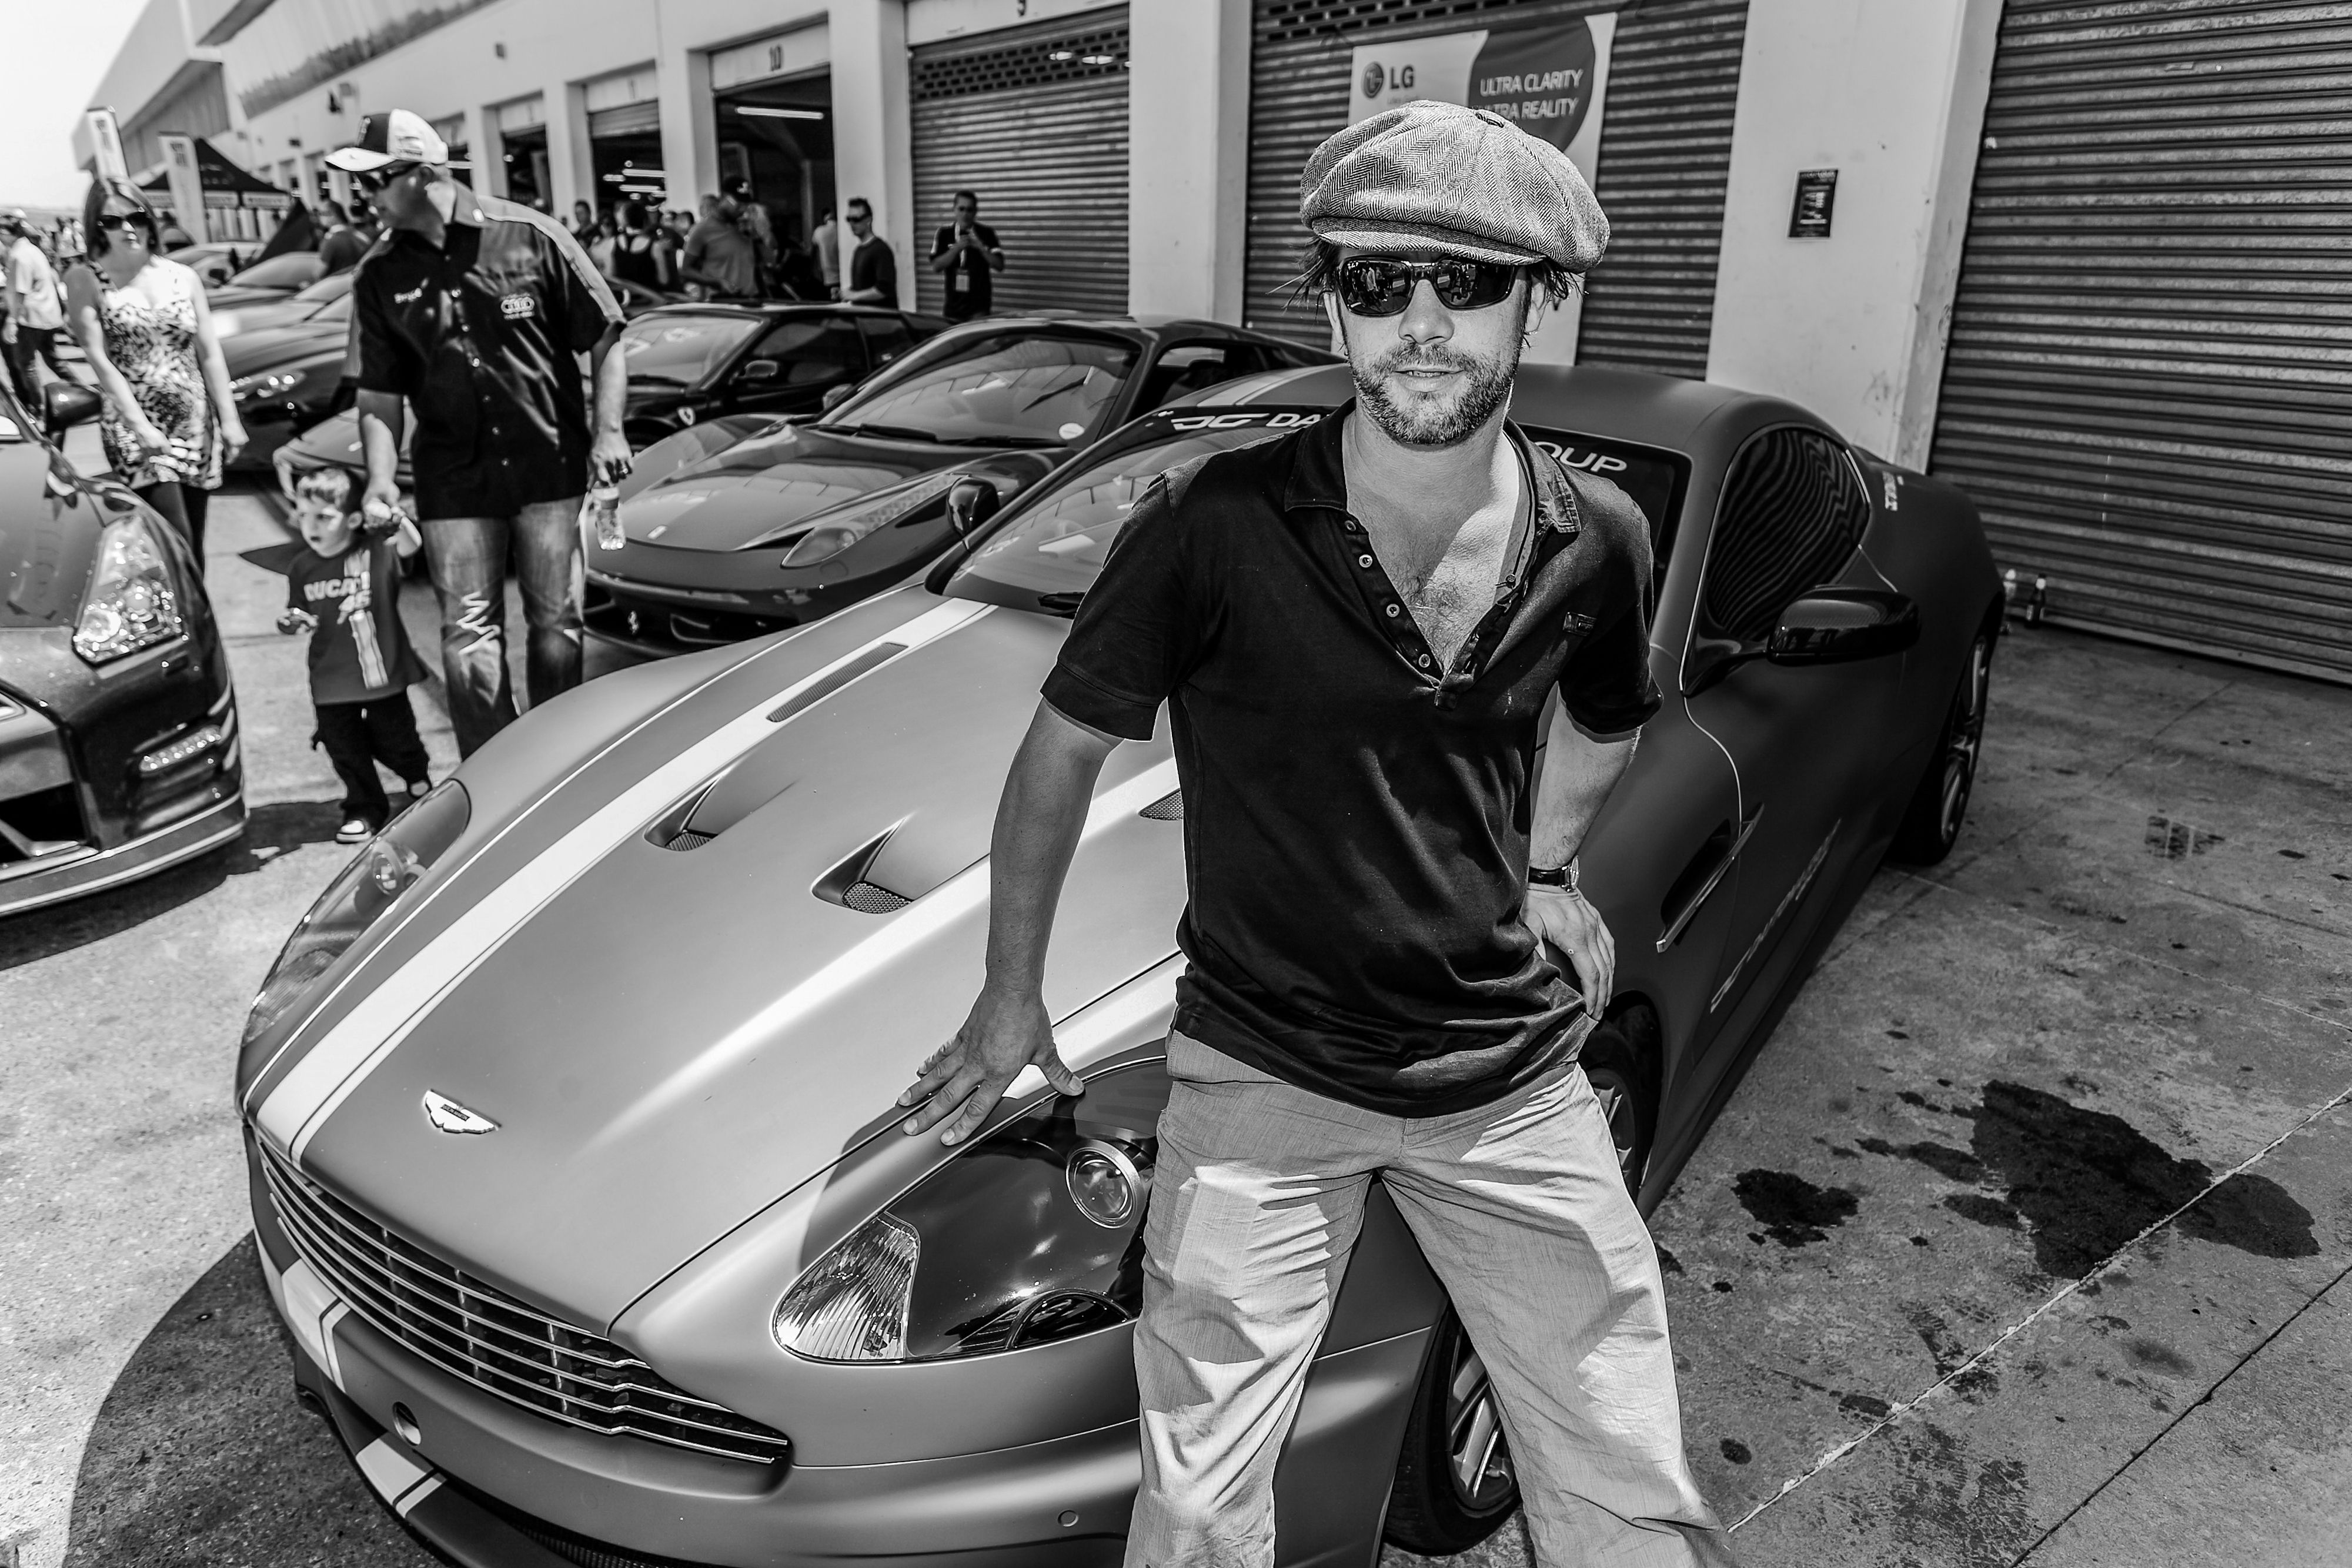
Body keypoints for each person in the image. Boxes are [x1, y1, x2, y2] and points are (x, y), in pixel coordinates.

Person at [897, 101, 1739, 1568]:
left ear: (1537, 300)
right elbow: (1060, 747)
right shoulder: (1215, 519)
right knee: (1202, 1502)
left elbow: (1608, 719)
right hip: (1260, 1079)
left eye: (1466, 284)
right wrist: (1009, 989)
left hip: (1506, 1078)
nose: (1421, 326)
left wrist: (1542, 871)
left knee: (1621, 1460)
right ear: (1332, 304)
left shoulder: (1598, 534)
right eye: (1376, 283)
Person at [330, 109, 630, 757]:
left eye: (374, 181)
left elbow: (605, 335)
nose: (365, 197)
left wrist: (609, 433)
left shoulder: (532, 236)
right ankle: (494, 773)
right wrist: (380, 483)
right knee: (467, 637)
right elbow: (379, 394)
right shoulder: (378, 274)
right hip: (451, 481)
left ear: (424, 173)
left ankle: (557, 759)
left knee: (556, 626)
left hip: (548, 469)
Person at [61, 179, 245, 564]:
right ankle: (188, 621)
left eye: (136, 217)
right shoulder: (85, 278)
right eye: (113, 220)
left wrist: (229, 420)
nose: (127, 228)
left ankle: (198, 622)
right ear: (97, 226)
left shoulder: (183, 276)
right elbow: (100, 360)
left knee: (193, 544)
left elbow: (210, 352)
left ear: (150, 221)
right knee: (173, 543)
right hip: (136, 429)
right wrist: (141, 426)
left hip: (195, 425)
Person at [277, 467, 433, 844]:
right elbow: (297, 611)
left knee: (398, 739)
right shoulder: (301, 567)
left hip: (382, 674)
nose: (310, 526)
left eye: (323, 517)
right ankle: (364, 807)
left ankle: (415, 774)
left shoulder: (375, 552)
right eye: (303, 515)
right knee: (344, 749)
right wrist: (292, 622)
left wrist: (393, 517)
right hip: (330, 680)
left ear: (353, 519)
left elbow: (411, 545)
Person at [2, 210, 69, 403]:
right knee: (53, 360)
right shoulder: (31, 249)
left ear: (7, 233)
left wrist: (12, 319)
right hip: (46, 314)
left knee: (26, 364)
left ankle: (38, 405)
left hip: (30, 317)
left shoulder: (19, 255)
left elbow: (21, 290)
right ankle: (84, 389)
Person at [927, 189, 1003, 323]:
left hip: (979, 308)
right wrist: (956, 249)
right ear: (954, 210)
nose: (965, 214)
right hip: (953, 307)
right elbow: (936, 266)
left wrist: (981, 248)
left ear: (975, 212)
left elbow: (999, 265)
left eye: (969, 210)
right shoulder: (944, 234)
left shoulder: (986, 233)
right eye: (961, 209)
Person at [680, 192, 758, 300]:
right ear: (725, 200)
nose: (742, 211)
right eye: (738, 205)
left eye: (745, 207)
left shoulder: (743, 228)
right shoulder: (701, 230)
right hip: (721, 300)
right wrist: (718, 282)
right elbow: (685, 270)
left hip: (751, 299)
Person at [843, 198, 896, 308]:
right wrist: (846, 292)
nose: (852, 224)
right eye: (849, 219)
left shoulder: (880, 250)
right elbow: (862, 287)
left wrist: (853, 295)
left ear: (869, 220)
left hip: (880, 319)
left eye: (856, 219)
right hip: (864, 319)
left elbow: (883, 290)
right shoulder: (859, 251)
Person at [610, 200, 669, 292]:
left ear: (626, 221)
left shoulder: (614, 243)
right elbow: (664, 280)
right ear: (645, 220)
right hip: (649, 300)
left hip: (625, 300)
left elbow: (612, 275)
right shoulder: (655, 246)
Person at [318, 199, 370, 273]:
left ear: (333, 215)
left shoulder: (331, 240)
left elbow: (319, 272)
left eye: (321, 213)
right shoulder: (360, 235)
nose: (320, 217)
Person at [810, 206, 840, 300]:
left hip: (827, 277)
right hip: (844, 276)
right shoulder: (841, 229)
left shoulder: (819, 232)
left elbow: (813, 252)